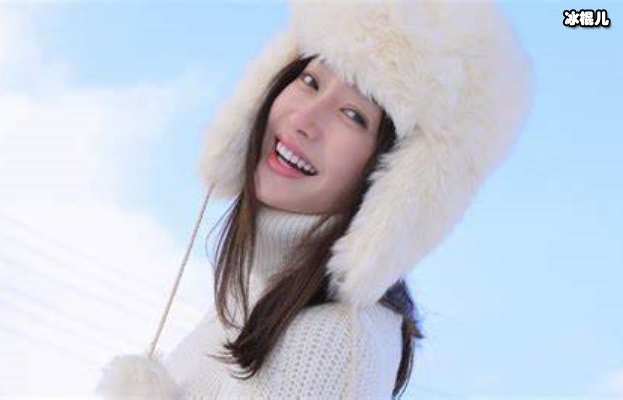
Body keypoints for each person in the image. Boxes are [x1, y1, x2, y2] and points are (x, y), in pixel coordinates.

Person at [96, 1, 533, 399]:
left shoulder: (331, 342)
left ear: (401, 182)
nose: (305, 119)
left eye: (353, 115)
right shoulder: (252, 299)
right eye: (310, 80)